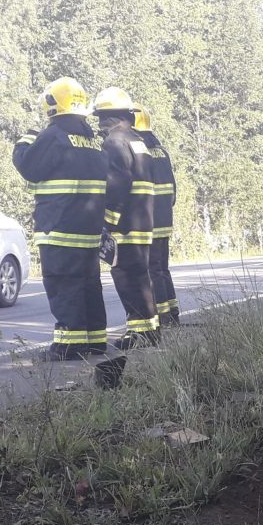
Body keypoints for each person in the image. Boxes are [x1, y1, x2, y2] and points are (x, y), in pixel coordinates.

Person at [12, 77, 109, 361]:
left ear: (53, 103)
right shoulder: (92, 141)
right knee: (89, 283)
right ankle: (95, 340)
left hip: (60, 226)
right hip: (88, 229)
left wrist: (26, 139)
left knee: (64, 283)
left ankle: (69, 344)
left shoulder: (53, 136)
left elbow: (29, 166)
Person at [92, 87, 160, 350]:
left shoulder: (114, 142)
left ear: (110, 117)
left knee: (126, 276)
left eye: (101, 117)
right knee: (141, 276)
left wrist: (108, 221)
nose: (99, 124)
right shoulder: (138, 140)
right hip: (143, 219)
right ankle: (150, 329)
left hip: (126, 224)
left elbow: (117, 184)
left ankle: (139, 332)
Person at [134, 110, 180, 325]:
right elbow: (173, 190)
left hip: (149, 221)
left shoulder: (140, 150)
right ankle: (172, 311)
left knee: (153, 270)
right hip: (164, 219)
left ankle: (163, 316)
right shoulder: (161, 151)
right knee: (162, 268)